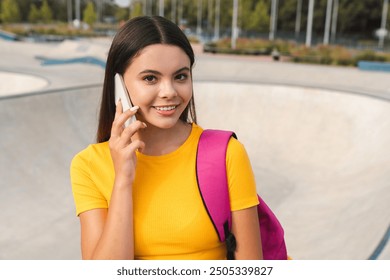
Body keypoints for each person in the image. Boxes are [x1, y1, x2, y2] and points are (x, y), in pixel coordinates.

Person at [70, 16, 262, 260]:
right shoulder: (88, 165)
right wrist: (123, 180)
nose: (169, 92)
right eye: (150, 78)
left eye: (180, 76)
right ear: (119, 84)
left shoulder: (227, 154)